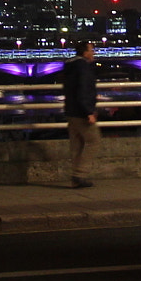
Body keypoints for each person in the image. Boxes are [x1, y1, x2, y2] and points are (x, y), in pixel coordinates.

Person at [60, 39, 99, 188]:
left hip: (70, 110)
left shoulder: (69, 65)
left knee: (76, 145)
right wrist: (89, 111)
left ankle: (76, 178)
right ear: (85, 52)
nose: (93, 53)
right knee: (94, 141)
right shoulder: (83, 67)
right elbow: (83, 89)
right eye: (91, 50)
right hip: (81, 112)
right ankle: (80, 174)